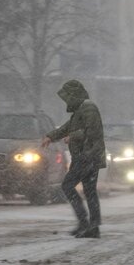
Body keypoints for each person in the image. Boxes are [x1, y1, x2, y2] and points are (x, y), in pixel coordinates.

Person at [42, 79, 106, 239]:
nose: (66, 101)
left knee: (68, 186)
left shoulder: (88, 108)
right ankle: (92, 226)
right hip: (86, 156)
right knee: (89, 191)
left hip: (88, 156)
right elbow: (68, 127)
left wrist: (73, 136)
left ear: (73, 95)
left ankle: (86, 223)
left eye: (67, 97)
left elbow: (93, 132)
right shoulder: (81, 109)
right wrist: (51, 136)